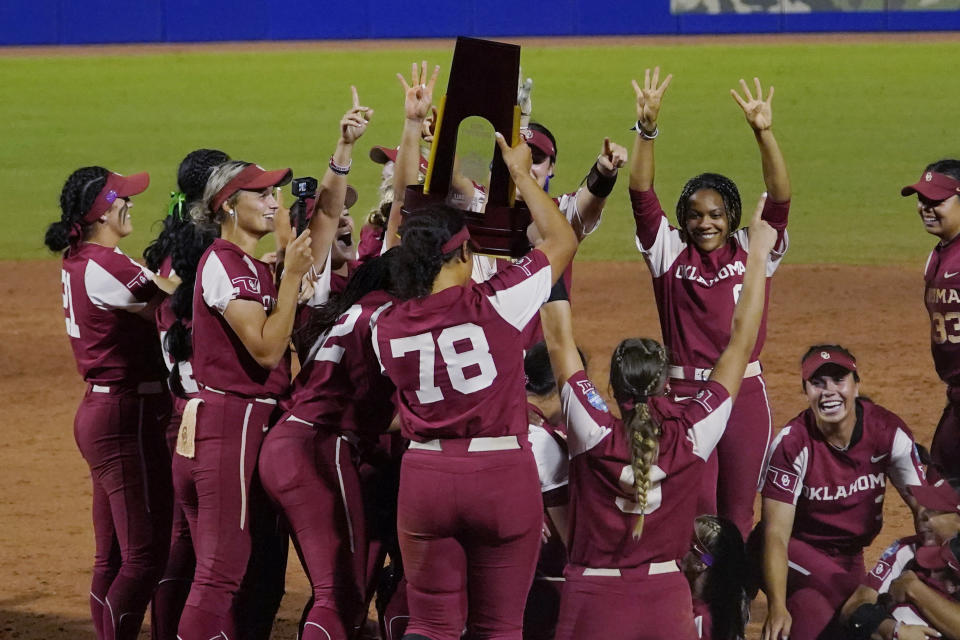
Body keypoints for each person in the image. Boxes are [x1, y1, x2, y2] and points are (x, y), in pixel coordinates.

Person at [372, 129, 578, 639]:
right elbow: (562, 240)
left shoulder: (385, 326)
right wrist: (521, 175)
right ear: (463, 256)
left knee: (431, 624)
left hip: (424, 478)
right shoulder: (498, 301)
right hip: (499, 474)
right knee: (499, 627)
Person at [538, 200, 778, 640]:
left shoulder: (591, 429)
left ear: (611, 387)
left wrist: (546, 253)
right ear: (664, 384)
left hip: (594, 598)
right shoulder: (692, 436)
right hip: (668, 600)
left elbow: (558, 341)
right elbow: (739, 345)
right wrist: (758, 256)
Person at [629, 67, 791, 538]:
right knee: (697, 513)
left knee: (738, 513)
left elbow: (780, 197)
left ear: (732, 217)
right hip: (682, 396)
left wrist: (764, 134)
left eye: (716, 214)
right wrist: (647, 129)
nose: (706, 223)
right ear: (682, 218)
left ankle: (730, 603)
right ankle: (696, 600)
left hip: (745, 394)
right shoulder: (668, 251)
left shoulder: (754, 247)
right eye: (695, 215)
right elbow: (641, 193)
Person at [45, 166, 173, 640]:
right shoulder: (110, 264)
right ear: (103, 211)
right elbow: (174, 306)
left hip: (102, 413)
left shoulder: (79, 258)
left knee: (113, 556)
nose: (132, 205)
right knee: (144, 557)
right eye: (125, 199)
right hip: (126, 417)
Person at [758, 345, 926, 640]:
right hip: (794, 553)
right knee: (854, 602)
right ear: (805, 390)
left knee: (829, 622)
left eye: (839, 380)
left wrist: (936, 579)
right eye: (818, 383)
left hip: (850, 558)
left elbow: (925, 509)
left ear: (856, 385)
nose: (829, 391)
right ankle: (892, 632)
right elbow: (775, 535)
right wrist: (776, 606)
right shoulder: (792, 443)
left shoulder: (886, 430)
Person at [143, 148, 229, 640]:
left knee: (184, 542)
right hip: (212, 416)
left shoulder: (173, 250)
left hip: (181, 412)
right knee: (220, 562)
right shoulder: (211, 256)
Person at [840, 475, 960, 640]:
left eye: (934, 510)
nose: (922, 514)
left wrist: (914, 589)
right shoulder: (907, 549)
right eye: (925, 507)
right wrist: (891, 629)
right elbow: (853, 606)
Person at [903, 159, 960, 482]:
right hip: (955, 399)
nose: (926, 207)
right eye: (922, 199)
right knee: (936, 493)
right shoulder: (939, 254)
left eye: (937, 200)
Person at [682, 515, 749, 640]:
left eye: (687, 544)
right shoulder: (726, 606)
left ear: (701, 563)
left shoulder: (702, 621)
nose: (679, 548)